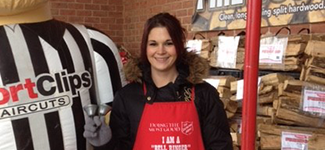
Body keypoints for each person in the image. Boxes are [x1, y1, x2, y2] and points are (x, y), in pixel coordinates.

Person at [84, 12, 233, 150]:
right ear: (145, 48)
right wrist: (105, 144)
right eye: (153, 44)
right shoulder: (127, 97)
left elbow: (220, 146)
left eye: (169, 43)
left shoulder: (204, 94)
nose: (160, 51)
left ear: (179, 47)